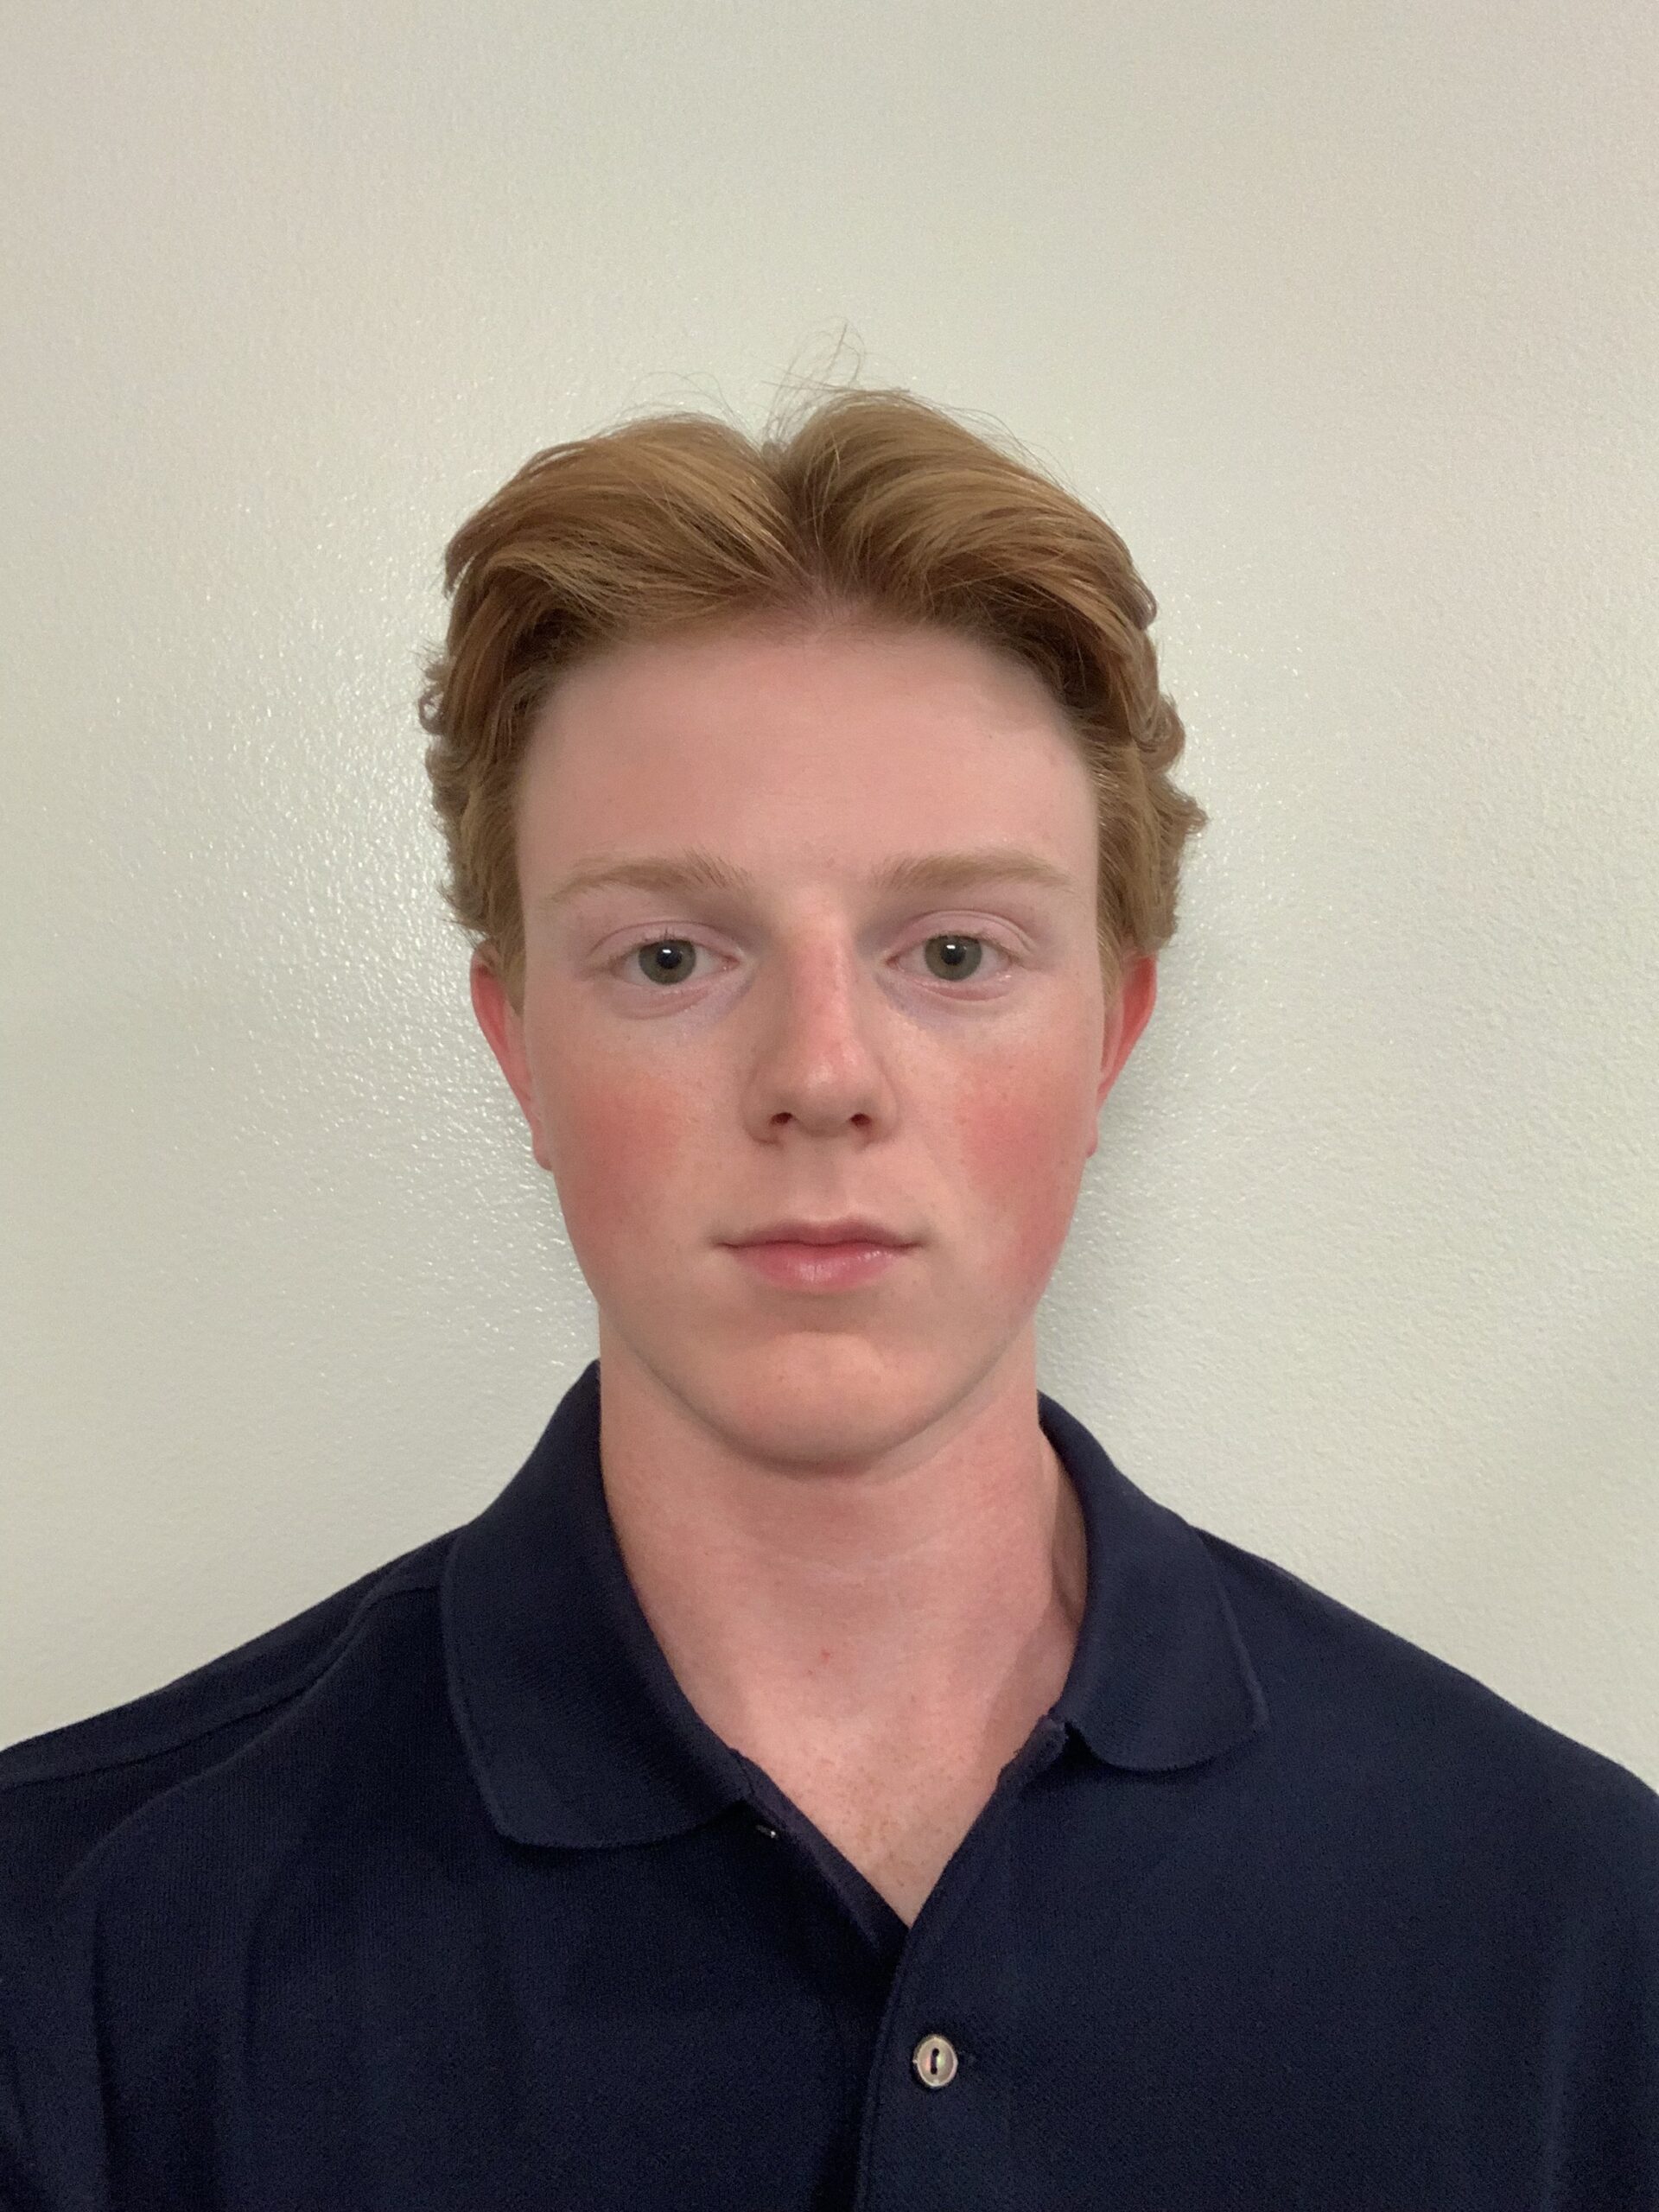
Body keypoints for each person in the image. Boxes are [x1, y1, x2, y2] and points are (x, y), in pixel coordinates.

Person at [1, 386, 1653, 2211]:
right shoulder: (68, 1956)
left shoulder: (1576, 1933)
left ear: (1111, 1034)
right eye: (670, 956)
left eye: (952, 950)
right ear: (518, 1047)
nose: (820, 1073)